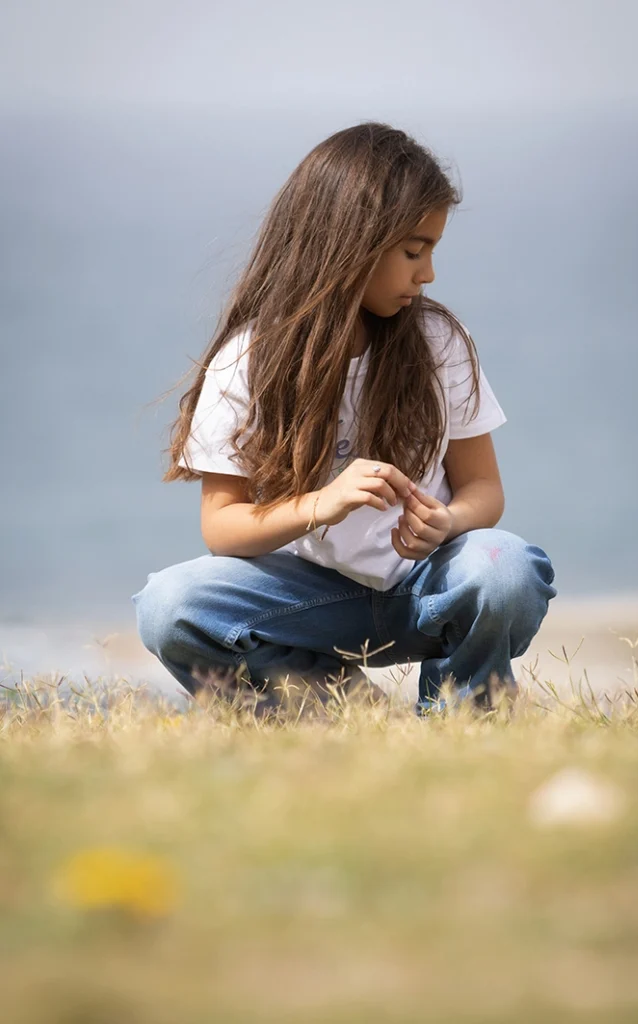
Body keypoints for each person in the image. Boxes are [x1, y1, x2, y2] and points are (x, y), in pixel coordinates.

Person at [133, 121, 557, 717]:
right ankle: (329, 708)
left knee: (506, 567)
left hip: (426, 586)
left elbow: (483, 489)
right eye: (414, 251)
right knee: (168, 604)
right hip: (311, 599)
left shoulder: (439, 341)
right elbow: (222, 527)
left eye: (432, 250)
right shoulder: (248, 359)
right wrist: (320, 504)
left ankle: (463, 718)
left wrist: (450, 520)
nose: (428, 273)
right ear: (350, 244)